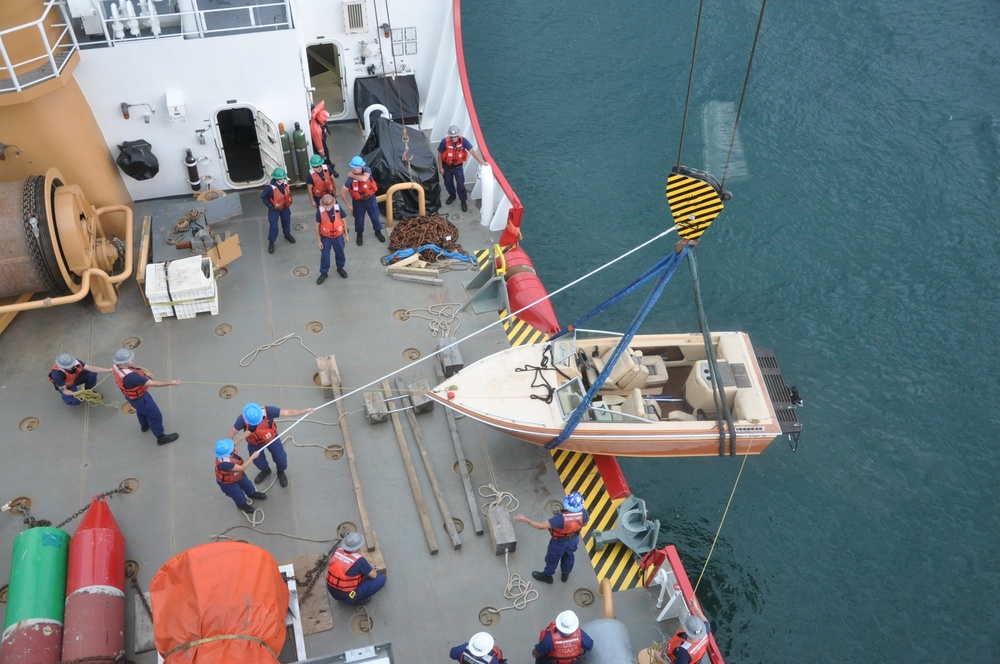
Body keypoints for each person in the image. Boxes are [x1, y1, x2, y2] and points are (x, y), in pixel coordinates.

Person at [227, 402, 314, 488]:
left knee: (281, 458)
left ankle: (280, 471)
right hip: (254, 443)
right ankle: (265, 470)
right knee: (258, 462)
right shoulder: (242, 419)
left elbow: (287, 412)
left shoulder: (269, 411)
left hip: (272, 439)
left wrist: (304, 411)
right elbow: (232, 432)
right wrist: (226, 449)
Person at [514, 491, 589, 583]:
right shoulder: (584, 513)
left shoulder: (560, 518)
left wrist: (526, 520)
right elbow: (585, 523)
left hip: (559, 543)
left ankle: (548, 576)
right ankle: (565, 574)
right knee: (569, 556)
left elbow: (541, 526)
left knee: (552, 559)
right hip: (573, 540)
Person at [111, 348, 179, 445]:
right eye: (131, 359)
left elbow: (133, 371)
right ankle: (161, 437)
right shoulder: (132, 376)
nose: (133, 360)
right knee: (155, 415)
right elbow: (153, 384)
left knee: (141, 411)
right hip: (141, 399)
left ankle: (144, 425)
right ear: (124, 363)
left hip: (131, 398)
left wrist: (145, 374)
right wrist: (171, 383)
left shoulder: (116, 366)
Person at [325, 531, 386, 605]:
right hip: (348, 597)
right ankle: (359, 600)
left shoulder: (336, 550)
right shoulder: (360, 561)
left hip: (331, 590)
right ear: (357, 547)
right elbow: (374, 575)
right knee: (381, 579)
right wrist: (371, 566)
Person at [437, 124, 485, 212]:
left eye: (455, 136)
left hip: (458, 167)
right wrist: (440, 167)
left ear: (458, 135)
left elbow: (472, 151)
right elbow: (440, 153)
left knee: (460, 184)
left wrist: (480, 161)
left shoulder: (463, 141)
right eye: (452, 136)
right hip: (447, 167)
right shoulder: (444, 142)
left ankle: (463, 200)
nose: (454, 138)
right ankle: (452, 195)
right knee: (448, 182)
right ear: (449, 136)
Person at [214, 438, 267, 515]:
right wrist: (252, 457)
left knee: (247, 485)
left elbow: (235, 442)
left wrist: (244, 435)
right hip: (227, 483)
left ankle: (252, 493)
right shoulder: (224, 463)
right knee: (238, 494)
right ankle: (242, 505)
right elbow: (242, 468)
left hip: (237, 475)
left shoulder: (226, 451)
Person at [339, 156, 384, 246]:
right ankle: (359, 234)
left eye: (357, 167)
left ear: (362, 166)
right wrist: (348, 205)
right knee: (359, 220)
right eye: (354, 167)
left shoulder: (367, 170)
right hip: (358, 202)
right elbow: (342, 192)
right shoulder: (350, 180)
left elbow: (364, 179)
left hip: (370, 199)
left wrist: (352, 175)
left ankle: (378, 231)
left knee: (375, 217)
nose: (355, 169)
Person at [652, 598, 711, 664]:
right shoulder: (706, 631)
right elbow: (707, 622)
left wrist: (659, 658)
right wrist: (696, 609)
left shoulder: (684, 652)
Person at [315, 194, 349, 283]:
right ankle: (324, 272)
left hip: (338, 236)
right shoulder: (320, 211)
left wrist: (346, 235)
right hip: (326, 238)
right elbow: (317, 225)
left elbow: (344, 221)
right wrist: (319, 241)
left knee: (340, 253)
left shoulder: (338, 208)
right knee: (325, 256)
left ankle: (340, 268)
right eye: (325, 206)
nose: (327, 208)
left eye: (329, 206)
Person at [260, 167, 295, 255]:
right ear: (277, 179)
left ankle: (287, 234)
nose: (284, 179)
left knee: (286, 221)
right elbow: (263, 197)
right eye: (282, 178)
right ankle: (271, 241)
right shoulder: (269, 188)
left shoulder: (284, 183)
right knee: (273, 226)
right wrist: (270, 205)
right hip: (274, 210)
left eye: (284, 178)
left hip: (285, 208)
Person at [309, 100, 339, 177]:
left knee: (326, 154)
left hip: (321, 139)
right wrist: (322, 154)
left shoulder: (317, 118)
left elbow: (320, 105)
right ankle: (330, 170)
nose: (326, 120)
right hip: (318, 142)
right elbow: (319, 144)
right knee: (325, 156)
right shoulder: (316, 130)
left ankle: (328, 163)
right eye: (325, 119)